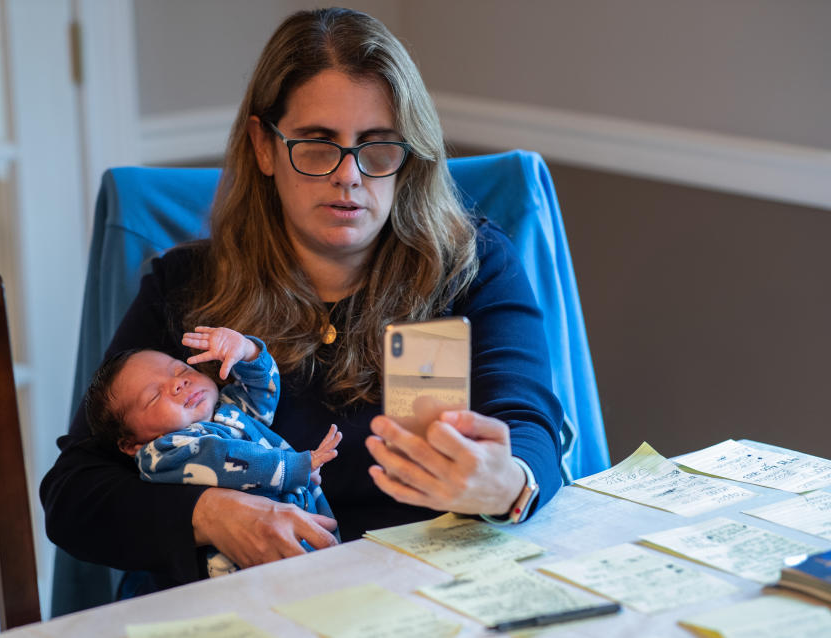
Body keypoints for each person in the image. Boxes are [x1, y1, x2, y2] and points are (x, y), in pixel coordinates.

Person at [41, 6, 563, 597]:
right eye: (318, 146)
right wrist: (210, 515)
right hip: (245, 602)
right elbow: (74, 491)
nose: (350, 177)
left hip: (422, 596)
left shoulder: (470, 266)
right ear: (264, 146)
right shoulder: (187, 288)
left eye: (377, 147)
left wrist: (506, 482)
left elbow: (527, 426)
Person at [83, 326, 342, 578]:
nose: (178, 383)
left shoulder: (227, 410)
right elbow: (221, 457)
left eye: (181, 369)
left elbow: (264, 392)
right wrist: (297, 466)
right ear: (132, 444)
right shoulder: (162, 453)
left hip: (307, 541)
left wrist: (247, 352)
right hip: (252, 568)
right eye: (153, 396)